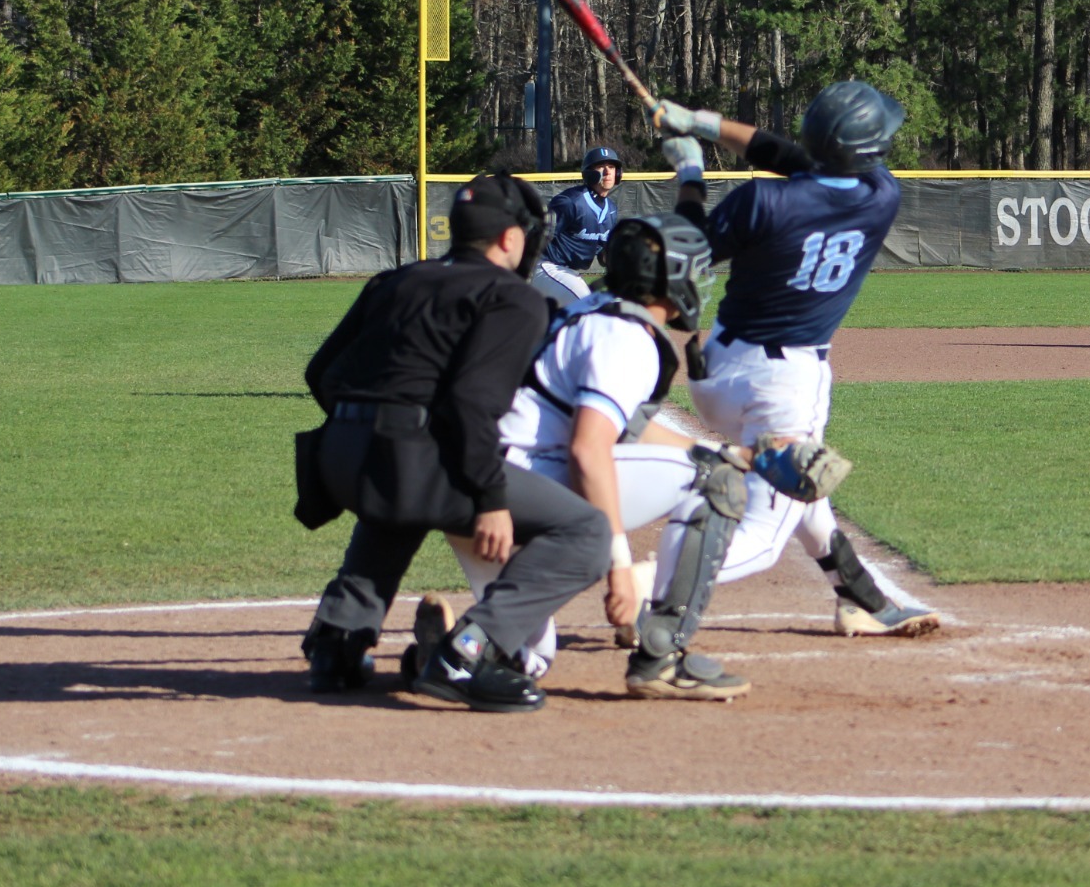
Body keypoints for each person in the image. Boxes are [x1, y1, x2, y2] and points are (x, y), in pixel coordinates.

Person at [294, 172, 614, 714]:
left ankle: (336, 644)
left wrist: (368, 428)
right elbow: (472, 405)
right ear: (511, 238)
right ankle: (468, 652)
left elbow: (320, 372)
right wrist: (490, 501)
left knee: (403, 496)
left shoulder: (395, 280)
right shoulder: (512, 297)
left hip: (339, 454)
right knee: (587, 530)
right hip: (403, 454)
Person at [646, 81, 940, 637]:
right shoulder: (883, 196)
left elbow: (685, 253)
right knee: (762, 536)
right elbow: (791, 159)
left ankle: (862, 598)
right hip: (782, 387)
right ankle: (646, 591)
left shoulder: (760, 202)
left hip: (715, 375)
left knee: (801, 488)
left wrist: (689, 173)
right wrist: (703, 124)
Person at [429, 212, 758, 701]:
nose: (697, 283)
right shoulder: (626, 339)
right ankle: (661, 653)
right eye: (690, 271)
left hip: (469, 487)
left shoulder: (594, 312)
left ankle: (451, 647)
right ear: (666, 280)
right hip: (516, 485)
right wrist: (620, 571)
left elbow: (621, 434)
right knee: (717, 481)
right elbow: (589, 451)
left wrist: (720, 448)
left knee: (531, 660)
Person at [533, 146, 622, 305]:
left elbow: (602, 251)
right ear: (589, 173)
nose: (608, 172)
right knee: (587, 304)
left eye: (612, 166)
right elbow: (537, 235)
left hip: (566, 273)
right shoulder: (571, 202)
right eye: (601, 166)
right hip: (543, 266)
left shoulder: (611, 209)